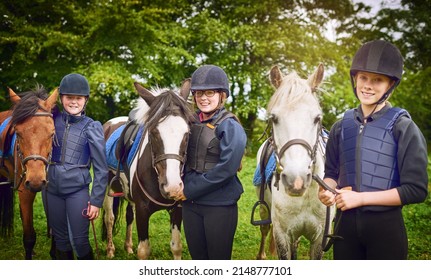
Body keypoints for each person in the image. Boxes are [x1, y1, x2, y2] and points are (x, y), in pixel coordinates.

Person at [318, 40, 428, 260]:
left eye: (377, 80)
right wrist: (326, 190)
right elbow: (331, 174)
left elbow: (415, 190)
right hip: (345, 229)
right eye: (363, 78)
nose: (368, 85)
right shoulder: (341, 127)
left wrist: (361, 199)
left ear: (390, 85)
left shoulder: (403, 127)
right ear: (355, 79)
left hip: (385, 230)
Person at [173, 65, 247, 260]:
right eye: (198, 93)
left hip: (219, 206)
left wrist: (189, 190)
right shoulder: (190, 123)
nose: (203, 98)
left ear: (222, 95)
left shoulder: (230, 126)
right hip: (190, 206)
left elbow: (227, 169)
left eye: (209, 93)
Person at [43, 73, 108, 260]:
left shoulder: (91, 126)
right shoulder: (51, 122)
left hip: (77, 191)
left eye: (78, 98)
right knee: (60, 240)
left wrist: (96, 201)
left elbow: (101, 169)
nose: (73, 102)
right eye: (69, 97)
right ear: (61, 98)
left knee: (79, 241)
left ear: (85, 100)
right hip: (51, 191)